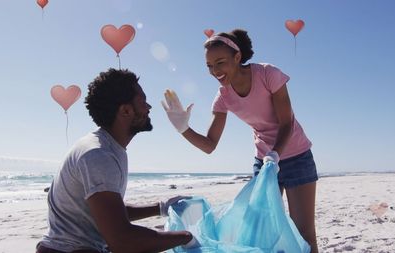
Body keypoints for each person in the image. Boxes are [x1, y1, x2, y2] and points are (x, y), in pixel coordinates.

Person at [162, 29, 319, 252]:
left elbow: (287, 123)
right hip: (263, 164)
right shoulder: (223, 97)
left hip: (295, 157)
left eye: (220, 62)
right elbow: (209, 145)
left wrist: (275, 154)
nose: (215, 71)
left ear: (237, 57)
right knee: (260, 232)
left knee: (303, 232)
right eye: (209, 66)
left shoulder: (268, 74)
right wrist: (183, 128)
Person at [37, 68, 197, 253]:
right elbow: (122, 241)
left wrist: (160, 207)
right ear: (126, 110)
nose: (148, 107)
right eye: (143, 101)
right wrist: (186, 237)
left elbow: (110, 214)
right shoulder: (99, 155)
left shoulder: (108, 147)